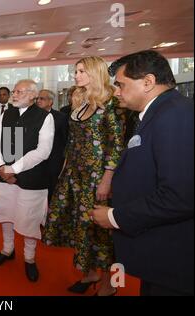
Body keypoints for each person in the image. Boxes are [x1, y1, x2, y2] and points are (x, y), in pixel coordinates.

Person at [89, 50, 194, 296]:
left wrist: (115, 217)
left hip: (174, 255)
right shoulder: (159, 112)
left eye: (121, 85)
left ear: (148, 82)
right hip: (161, 250)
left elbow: (181, 195)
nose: (116, 92)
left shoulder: (174, 115)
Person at [43, 56, 124, 296]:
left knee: (100, 229)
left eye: (81, 71)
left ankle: (109, 284)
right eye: (75, 71)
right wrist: (64, 169)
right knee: (81, 225)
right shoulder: (80, 101)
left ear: (94, 72)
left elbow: (116, 145)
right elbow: (72, 142)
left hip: (97, 175)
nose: (76, 75)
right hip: (74, 174)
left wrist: (107, 179)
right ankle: (90, 273)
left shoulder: (111, 103)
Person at [0, 79, 55, 282]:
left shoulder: (45, 117)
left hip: (31, 178)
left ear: (33, 96)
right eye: (14, 91)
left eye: (19, 92)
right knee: (6, 213)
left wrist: (13, 169)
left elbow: (43, 151)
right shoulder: (6, 113)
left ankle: (29, 258)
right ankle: (7, 250)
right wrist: (1, 166)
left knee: (29, 219)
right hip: (3, 176)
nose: (14, 94)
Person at [36, 89, 68, 201]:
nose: (38, 101)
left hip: (53, 162)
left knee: (52, 192)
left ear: (50, 102)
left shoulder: (61, 117)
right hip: (34, 161)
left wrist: (63, 161)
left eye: (42, 99)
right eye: (37, 98)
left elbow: (65, 140)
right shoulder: (32, 117)